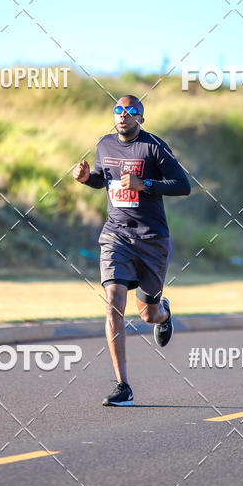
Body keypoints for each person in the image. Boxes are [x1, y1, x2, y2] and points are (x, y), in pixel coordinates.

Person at [73, 95, 191, 405]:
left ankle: (163, 314)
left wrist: (146, 184)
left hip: (152, 239)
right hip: (116, 235)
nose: (123, 115)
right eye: (118, 110)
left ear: (141, 117)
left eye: (131, 111)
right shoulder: (104, 145)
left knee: (147, 313)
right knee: (113, 300)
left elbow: (183, 185)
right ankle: (123, 386)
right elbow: (104, 179)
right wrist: (88, 179)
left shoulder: (153, 147)